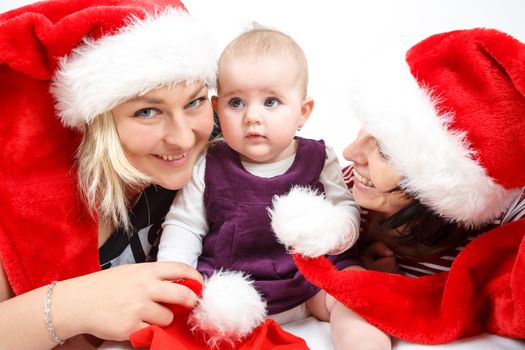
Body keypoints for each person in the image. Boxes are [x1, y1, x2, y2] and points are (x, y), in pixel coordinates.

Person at [0, 0, 218, 348]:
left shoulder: (216, 154)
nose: (183, 138)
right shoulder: (17, 221)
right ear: (95, 122)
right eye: (148, 111)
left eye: (195, 101)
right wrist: (71, 304)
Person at [157, 27, 391, 350]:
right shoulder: (208, 164)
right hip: (233, 288)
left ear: (302, 112)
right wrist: (176, 276)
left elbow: (345, 209)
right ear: (216, 108)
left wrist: (334, 231)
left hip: (310, 283)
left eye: (271, 102)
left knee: (356, 296)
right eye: (236, 102)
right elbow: (184, 225)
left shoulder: (318, 157)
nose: (253, 117)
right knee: (195, 322)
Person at [291, 28, 525, 344]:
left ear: (439, 185)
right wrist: (358, 267)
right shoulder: (333, 189)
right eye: (366, 129)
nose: (350, 153)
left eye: (385, 150)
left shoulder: (492, 222)